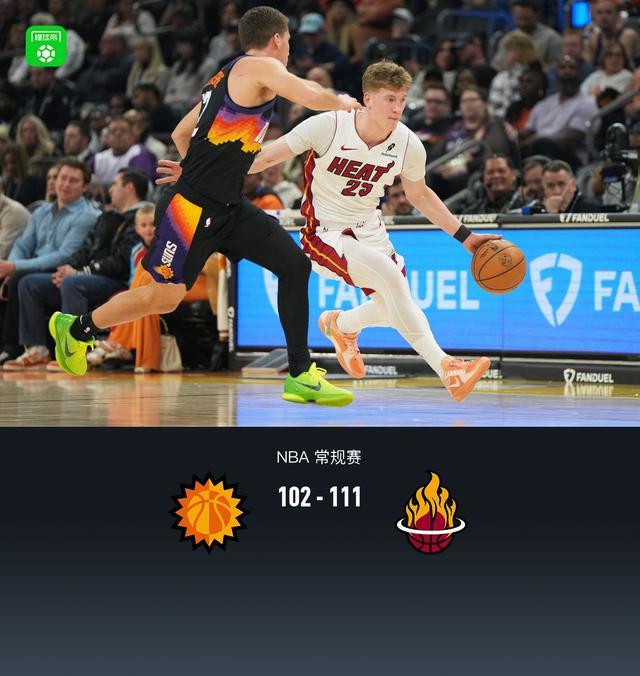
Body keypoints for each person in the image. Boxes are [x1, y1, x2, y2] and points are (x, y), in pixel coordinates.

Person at [49, 5, 362, 407]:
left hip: (228, 207)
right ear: (277, 39)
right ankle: (76, 328)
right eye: (288, 42)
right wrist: (344, 102)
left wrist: (192, 167)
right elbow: (310, 94)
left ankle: (300, 374)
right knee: (162, 298)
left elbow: (182, 133)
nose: (289, 50)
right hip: (190, 210)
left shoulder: (224, 77)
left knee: (294, 266)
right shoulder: (258, 66)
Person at [163, 62, 500, 401]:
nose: (397, 108)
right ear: (367, 99)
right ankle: (448, 368)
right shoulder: (329, 126)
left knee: (395, 306)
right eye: (389, 99)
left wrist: (467, 237)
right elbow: (263, 159)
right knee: (391, 281)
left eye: (402, 100)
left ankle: (342, 325)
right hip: (324, 232)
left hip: (370, 231)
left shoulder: (408, 144)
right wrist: (198, 170)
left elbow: (420, 195)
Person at [5, 168, 148, 371]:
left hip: (117, 280)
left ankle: (73, 349)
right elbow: (85, 249)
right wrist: (68, 267)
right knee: (29, 283)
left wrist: (79, 272)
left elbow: (120, 262)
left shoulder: (141, 219)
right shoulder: (108, 215)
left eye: (115, 184)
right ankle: (37, 350)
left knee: (73, 283)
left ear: (129, 188)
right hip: (90, 276)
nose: (110, 190)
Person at [0, 157, 100, 366]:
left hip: (65, 271)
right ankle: (16, 347)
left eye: (73, 180)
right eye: (62, 178)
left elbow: (65, 255)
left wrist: (15, 267)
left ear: (85, 187)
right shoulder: (41, 211)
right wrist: (11, 267)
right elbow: (22, 245)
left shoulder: (88, 215)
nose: (65, 184)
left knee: (23, 280)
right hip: (33, 269)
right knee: (13, 277)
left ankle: (24, 348)